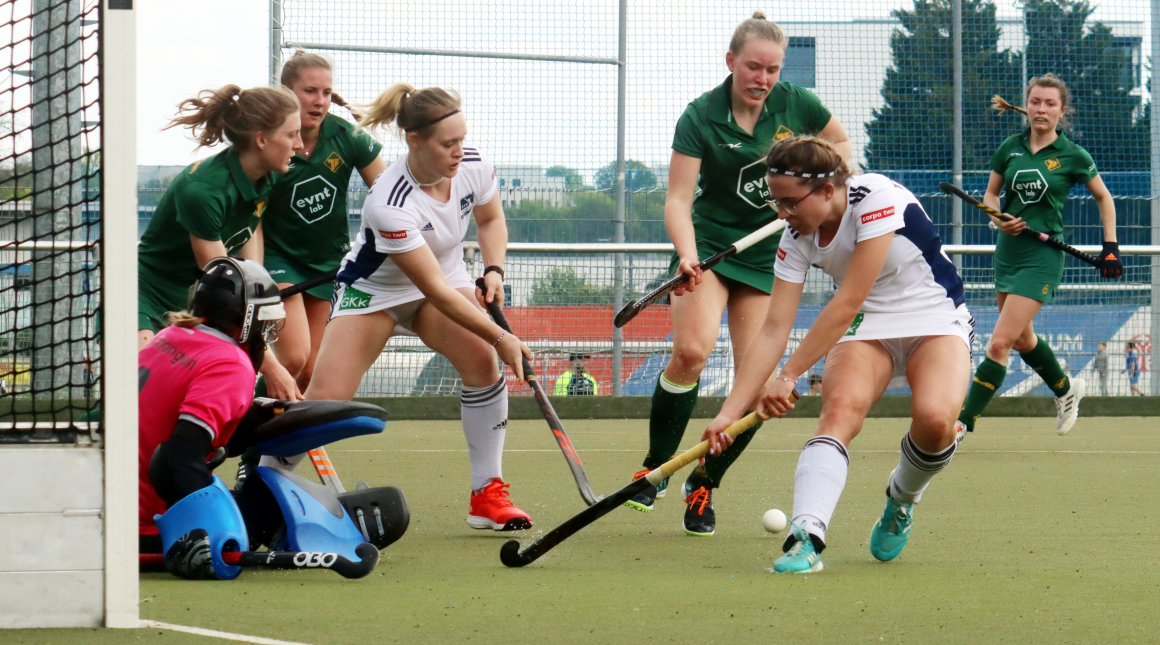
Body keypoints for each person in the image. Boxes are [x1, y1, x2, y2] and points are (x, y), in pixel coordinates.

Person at [626, 12, 851, 537]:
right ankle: (656, 466)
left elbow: (842, 150)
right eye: (754, 67)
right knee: (691, 352)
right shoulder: (700, 116)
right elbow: (679, 199)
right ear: (731, 62)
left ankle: (705, 480)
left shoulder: (797, 104)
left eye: (772, 69)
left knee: (757, 385)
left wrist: (805, 184)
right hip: (708, 246)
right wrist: (685, 254)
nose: (764, 79)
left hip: (771, 253)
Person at [702, 135, 972, 573]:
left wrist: (788, 375)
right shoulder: (796, 236)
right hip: (869, 324)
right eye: (776, 203)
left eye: (790, 202)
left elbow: (847, 300)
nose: (783, 214)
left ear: (828, 190)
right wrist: (729, 414)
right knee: (840, 410)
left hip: (934, 315)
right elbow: (773, 328)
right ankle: (805, 539)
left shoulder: (877, 198)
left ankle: (901, 500)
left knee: (937, 420)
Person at [304, 83, 535, 531]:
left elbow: (490, 220)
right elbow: (434, 291)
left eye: (462, 139)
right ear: (415, 141)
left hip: (444, 277)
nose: (459, 152)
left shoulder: (473, 165)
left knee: (483, 362)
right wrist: (503, 334)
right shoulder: (390, 202)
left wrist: (494, 270)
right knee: (325, 402)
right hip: (375, 293)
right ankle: (263, 479)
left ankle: (487, 495)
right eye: (448, 144)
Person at [956, 73, 1122, 438]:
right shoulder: (1010, 148)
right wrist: (998, 219)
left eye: (1050, 103)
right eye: (1036, 102)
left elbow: (1104, 198)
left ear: (1062, 111)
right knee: (1021, 339)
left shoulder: (1072, 155)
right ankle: (1065, 389)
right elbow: (991, 195)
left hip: (1043, 257)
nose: (1041, 109)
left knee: (999, 342)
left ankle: (961, 424)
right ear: (1026, 105)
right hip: (1009, 252)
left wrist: (1110, 247)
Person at [138, 84, 304, 401]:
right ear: (261, 139)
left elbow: (249, 234)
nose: (299, 145)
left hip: (193, 298)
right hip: (146, 293)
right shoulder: (202, 191)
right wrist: (271, 367)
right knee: (141, 390)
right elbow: (219, 280)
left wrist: (259, 285)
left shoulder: (267, 175)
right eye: (291, 134)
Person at [138, 257, 286, 578]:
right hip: (154, 523)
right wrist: (204, 533)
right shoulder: (229, 362)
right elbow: (178, 456)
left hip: (122, 508)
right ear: (246, 320)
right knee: (268, 509)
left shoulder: (171, 336)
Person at [265, 51, 386, 392]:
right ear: (287, 92)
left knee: (311, 369)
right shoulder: (271, 140)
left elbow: (389, 191)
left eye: (326, 93)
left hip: (326, 262)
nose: (320, 102)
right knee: (293, 358)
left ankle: (279, 444)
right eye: (310, 91)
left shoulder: (347, 135)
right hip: (279, 260)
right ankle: (239, 422)